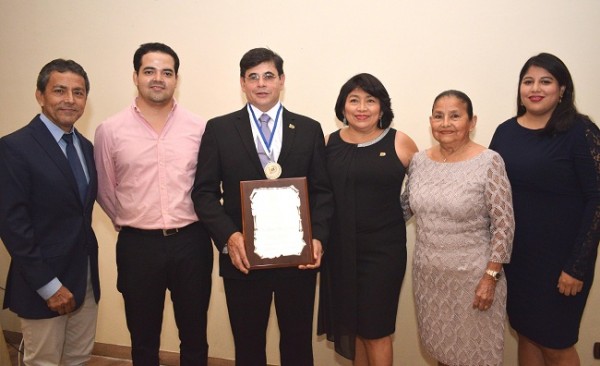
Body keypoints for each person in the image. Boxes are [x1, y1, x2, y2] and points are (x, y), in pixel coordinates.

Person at [192, 47, 334, 366]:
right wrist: (229, 237)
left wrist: (318, 238)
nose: (261, 84)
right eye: (252, 77)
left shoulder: (309, 129)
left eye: (268, 76)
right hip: (243, 258)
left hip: (297, 260)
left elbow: (323, 193)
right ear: (242, 83)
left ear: (281, 80)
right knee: (248, 346)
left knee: (298, 346)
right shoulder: (219, 129)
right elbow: (203, 192)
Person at [94, 42, 213, 366]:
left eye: (166, 72)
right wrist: (134, 219)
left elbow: (208, 186)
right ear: (135, 76)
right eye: (149, 71)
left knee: (194, 335)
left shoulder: (200, 128)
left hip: (192, 241)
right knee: (142, 339)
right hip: (138, 246)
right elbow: (105, 190)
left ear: (176, 79)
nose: (158, 78)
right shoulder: (110, 130)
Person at [489, 53, 600, 366]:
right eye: (528, 81)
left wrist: (577, 265)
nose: (535, 88)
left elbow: (597, 200)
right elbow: (492, 194)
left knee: (556, 344)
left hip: (562, 263)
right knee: (526, 333)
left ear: (562, 89)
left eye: (545, 81)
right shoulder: (505, 132)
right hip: (519, 259)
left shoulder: (580, 131)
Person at [402, 90, 514, 366]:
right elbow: (403, 209)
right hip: (429, 279)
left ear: (471, 121)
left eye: (455, 116)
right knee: (441, 353)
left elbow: (504, 224)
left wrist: (490, 277)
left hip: (475, 280)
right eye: (438, 116)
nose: (445, 123)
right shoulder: (419, 161)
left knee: (476, 356)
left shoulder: (489, 161)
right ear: (430, 121)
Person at [0, 59, 100, 365]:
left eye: (78, 92)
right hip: (43, 283)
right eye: (60, 90)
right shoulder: (14, 147)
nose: (70, 99)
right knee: (43, 361)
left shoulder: (85, 147)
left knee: (79, 359)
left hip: (84, 278)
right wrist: (49, 286)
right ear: (40, 95)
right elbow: (12, 225)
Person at [317, 73, 418, 365]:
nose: (362, 108)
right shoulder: (327, 143)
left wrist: (398, 214)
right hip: (339, 251)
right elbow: (316, 194)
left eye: (370, 101)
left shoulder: (400, 142)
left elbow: (424, 190)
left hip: (382, 254)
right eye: (354, 100)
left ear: (382, 107)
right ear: (343, 106)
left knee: (377, 331)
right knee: (354, 328)